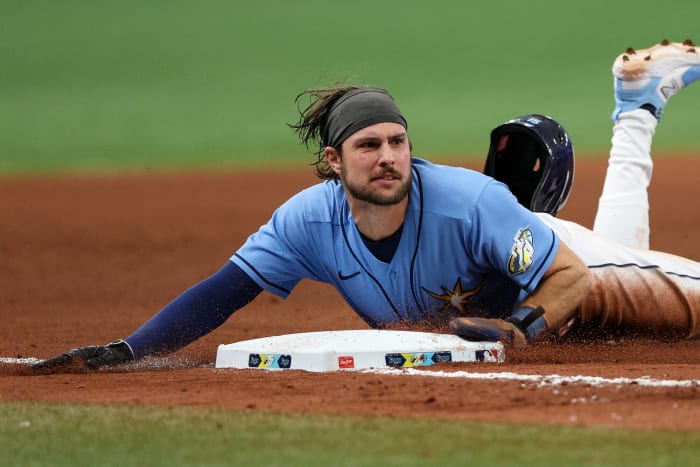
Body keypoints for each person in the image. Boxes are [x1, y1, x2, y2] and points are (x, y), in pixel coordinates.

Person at [34, 39, 699, 370]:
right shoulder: (307, 220)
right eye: (369, 145)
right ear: (334, 162)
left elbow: (573, 277)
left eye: (398, 142)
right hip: (528, 256)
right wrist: (129, 349)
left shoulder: (464, 201)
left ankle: (636, 111)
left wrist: (517, 327)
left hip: (578, 273)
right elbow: (221, 292)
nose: (388, 156)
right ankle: (636, 108)